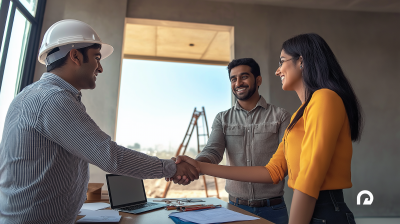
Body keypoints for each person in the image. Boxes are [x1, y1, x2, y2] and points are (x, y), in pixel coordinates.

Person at [0, 19, 198, 223]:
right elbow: (109, 156)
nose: (100, 68)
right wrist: (171, 168)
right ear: (75, 56)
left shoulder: (34, 95)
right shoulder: (53, 99)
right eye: (96, 57)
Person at [173, 33, 363, 224]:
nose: (278, 71)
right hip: (308, 211)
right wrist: (198, 165)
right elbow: (272, 171)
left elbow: (309, 178)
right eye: (233, 79)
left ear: (301, 62)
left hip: (323, 212)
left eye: (282, 61)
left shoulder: (324, 99)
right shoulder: (300, 115)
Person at [170, 58, 291, 224]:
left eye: (244, 77)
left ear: (258, 80)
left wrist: (196, 167)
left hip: (273, 209)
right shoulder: (222, 118)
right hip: (235, 208)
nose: (238, 83)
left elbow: (284, 166)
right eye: (233, 79)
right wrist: (192, 167)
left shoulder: (281, 116)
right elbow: (212, 151)